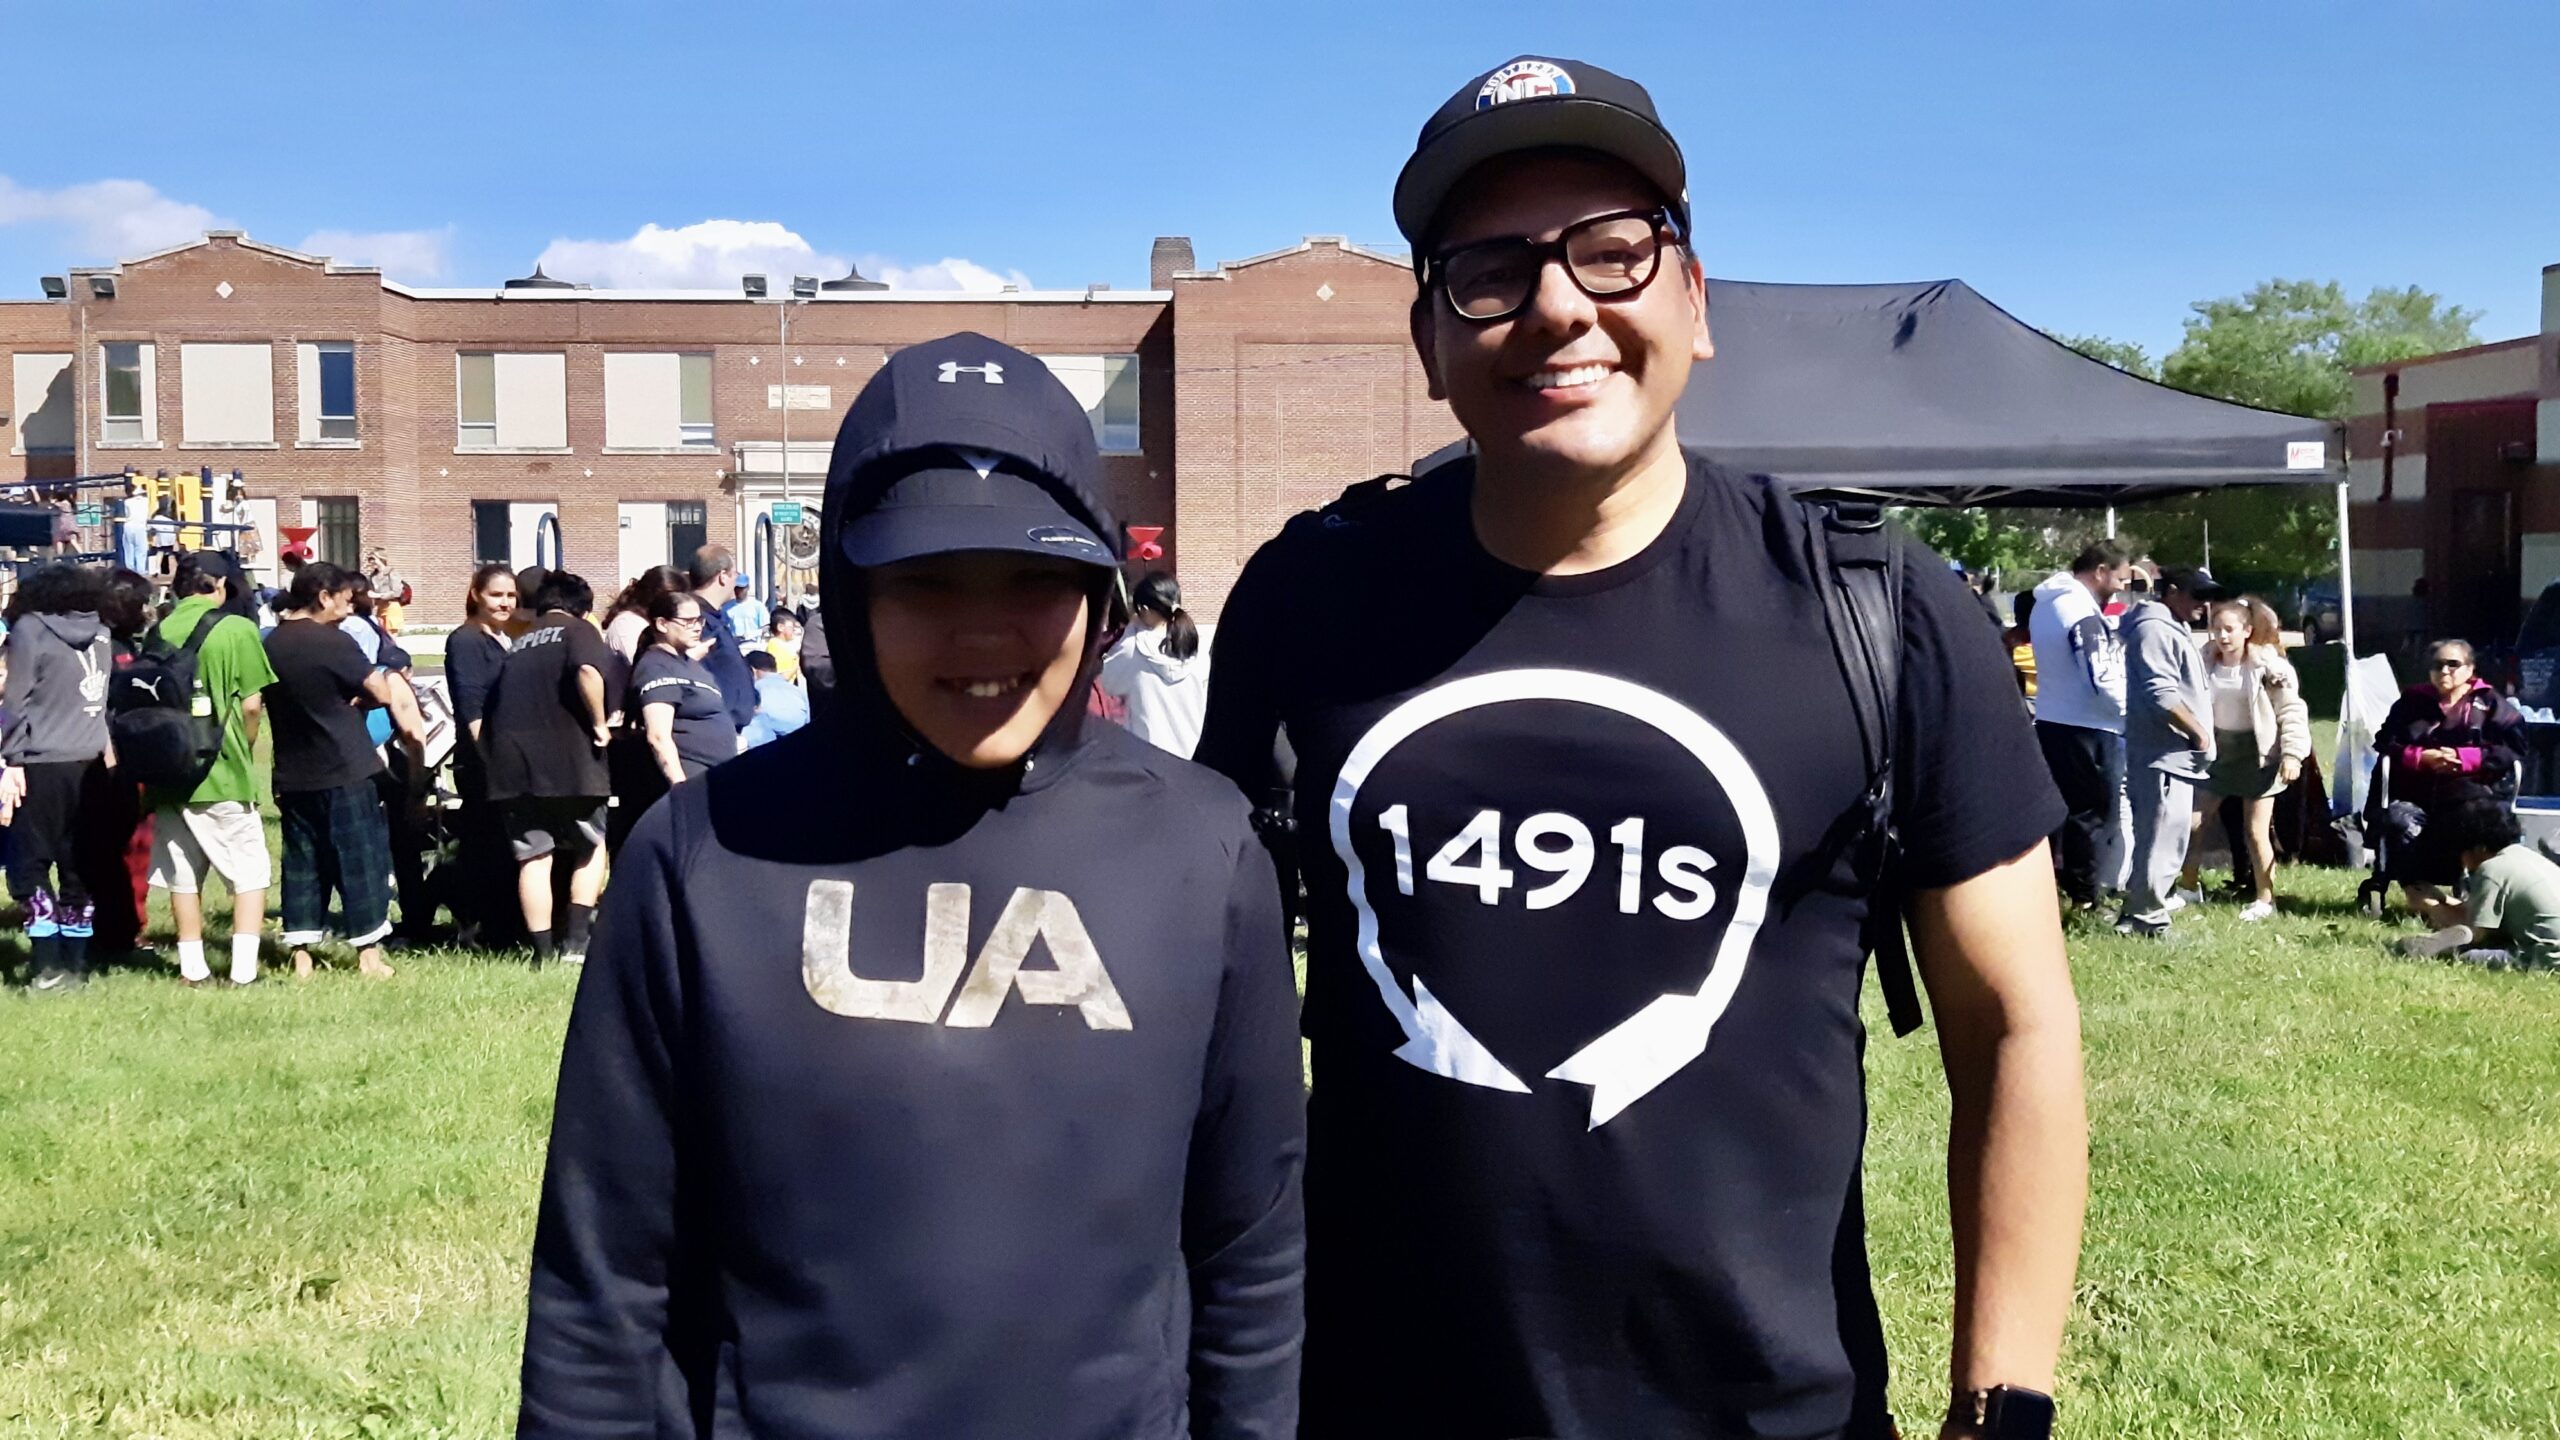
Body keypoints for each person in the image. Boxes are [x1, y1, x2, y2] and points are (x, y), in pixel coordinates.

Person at [1195, 58, 2084, 1440]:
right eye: (1491, 271)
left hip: (1767, 1409)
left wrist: (2004, 1405)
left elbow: (2014, 1025)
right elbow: (1213, 1013)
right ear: (1430, 343)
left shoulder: (1883, 609)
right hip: (1378, 1403)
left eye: (1613, 252)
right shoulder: (1309, 601)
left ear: (1696, 301)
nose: (1559, 306)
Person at [519, 333, 1307, 1439]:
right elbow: (602, 1282)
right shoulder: (704, 852)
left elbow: (1251, 1250)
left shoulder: (1203, 844)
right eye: (926, 580)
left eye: (1033, 577)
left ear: (1095, 591)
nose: (982, 632)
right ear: (851, 589)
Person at [260, 562, 419, 980]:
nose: (350, 611)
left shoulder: (270, 643)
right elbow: (380, 690)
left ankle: (302, 958)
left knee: (303, 864)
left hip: (293, 772)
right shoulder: (334, 642)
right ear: (323, 596)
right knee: (360, 861)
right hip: (347, 766)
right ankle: (368, 956)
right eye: (346, 601)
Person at [144, 551, 279, 986]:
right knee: (249, 873)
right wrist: (246, 743)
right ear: (219, 585)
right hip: (223, 770)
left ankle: (192, 968)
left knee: (183, 876)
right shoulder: (237, 629)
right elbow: (253, 704)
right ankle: (242, 972)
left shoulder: (158, 629)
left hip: (169, 768)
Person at [480, 570, 612, 965]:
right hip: (569, 761)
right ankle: (575, 942)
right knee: (591, 845)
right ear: (582, 607)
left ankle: (540, 953)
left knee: (534, 857)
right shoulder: (578, 631)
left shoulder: (520, 643)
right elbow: (587, 672)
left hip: (513, 766)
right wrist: (600, 722)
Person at [1, 563, 116, 990]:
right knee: (77, 867)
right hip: (90, 761)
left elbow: (16, 701)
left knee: (28, 867)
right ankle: (77, 964)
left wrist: (11, 759)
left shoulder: (31, 630)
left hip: (40, 761)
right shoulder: (102, 633)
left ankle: (46, 965)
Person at [2371, 638, 2525, 916]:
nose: (2444, 671)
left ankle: (2476, 894)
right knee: (2397, 818)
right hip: (2416, 793)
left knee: (2476, 819)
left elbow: (2514, 748)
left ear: (2470, 669)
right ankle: (2418, 893)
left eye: (2452, 664)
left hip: (2470, 793)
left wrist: (2465, 759)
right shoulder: (2412, 702)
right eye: (2436, 665)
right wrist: (2421, 757)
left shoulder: (2490, 705)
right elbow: (2386, 742)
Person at [2180, 598, 2310, 921]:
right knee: (2195, 822)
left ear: (2247, 631)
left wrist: (2292, 755)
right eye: (2216, 629)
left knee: (2255, 831)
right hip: (2219, 756)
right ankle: (2187, 886)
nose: (2223, 636)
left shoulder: (2269, 668)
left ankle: (2266, 899)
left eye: (2230, 629)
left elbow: (2292, 712)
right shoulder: (2203, 663)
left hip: (2258, 758)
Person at [2115, 566, 2219, 938]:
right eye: (2196, 595)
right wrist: (2198, 733)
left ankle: (2137, 913)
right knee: (2161, 837)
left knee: (2166, 836)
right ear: (2172, 591)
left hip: (2171, 753)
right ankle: (2148, 918)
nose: (2203, 605)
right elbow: (2161, 693)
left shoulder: (2170, 626)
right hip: (2162, 753)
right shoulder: (2154, 629)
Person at [2029, 540, 2132, 908]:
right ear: (2100, 570)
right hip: (2091, 726)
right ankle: (2089, 897)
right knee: (2095, 816)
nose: (2122, 586)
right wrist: (2125, 710)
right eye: (2120, 578)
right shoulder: (2079, 611)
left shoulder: (2046, 605)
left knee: (2068, 813)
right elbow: (2099, 674)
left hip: (2053, 719)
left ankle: (2065, 889)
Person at [606, 588, 733, 855]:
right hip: (690, 782)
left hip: (716, 780)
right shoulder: (656, 666)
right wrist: (680, 786)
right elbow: (658, 735)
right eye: (688, 622)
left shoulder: (688, 665)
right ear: (661, 624)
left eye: (699, 621)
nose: (697, 627)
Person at [82, 567, 158, 962]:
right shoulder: (100, 645)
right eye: (141, 603)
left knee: (130, 848)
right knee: (107, 851)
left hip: (132, 759)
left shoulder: (129, 642)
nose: (147, 611)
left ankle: (123, 926)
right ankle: (112, 931)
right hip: (105, 761)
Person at [2396, 789, 2560, 968]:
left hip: (2544, 958)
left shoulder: (2491, 869)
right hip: (2544, 942)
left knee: (2470, 955)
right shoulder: (2530, 857)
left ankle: (2434, 948)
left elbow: (2476, 934)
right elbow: (2484, 911)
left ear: (2479, 848)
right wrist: (2442, 899)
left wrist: (2429, 906)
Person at [448, 563, 519, 947]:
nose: (505, 602)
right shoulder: (467, 640)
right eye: (496, 595)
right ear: (476, 594)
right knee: (483, 845)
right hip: (481, 759)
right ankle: (475, 926)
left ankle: (499, 923)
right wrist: (491, 758)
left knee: (500, 845)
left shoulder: (501, 638)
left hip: (502, 755)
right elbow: (470, 705)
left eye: (510, 595)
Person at [1098, 571, 1211, 759]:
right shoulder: (1196, 647)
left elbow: (1107, 682)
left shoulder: (1133, 650)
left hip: (1150, 761)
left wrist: (1130, 631)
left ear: (1143, 609)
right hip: (1194, 758)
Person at [685, 545, 759, 727]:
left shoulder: (717, 617)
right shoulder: (695, 619)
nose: (736, 581)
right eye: (735, 574)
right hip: (716, 728)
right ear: (722, 576)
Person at [739, 648, 810, 748]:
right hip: (803, 746)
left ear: (752, 671)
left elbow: (756, 738)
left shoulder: (753, 693)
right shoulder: (798, 691)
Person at [722, 571, 770, 644]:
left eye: (742, 588)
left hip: (754, 644)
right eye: (737, 588)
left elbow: (766, 626)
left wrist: (755, 633)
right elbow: (723, 627)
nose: (739, 591)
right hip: (735, 644)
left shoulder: (757, 605)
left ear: (747, 588)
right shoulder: (727, 607)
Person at [764, 605, 805, 683]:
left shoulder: (782, 645)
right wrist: (797, 664)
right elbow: (782, 676)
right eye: (792, 627)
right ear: (780, 627)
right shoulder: (776, 645)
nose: (794, 630)